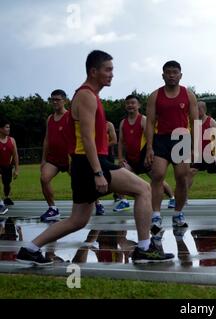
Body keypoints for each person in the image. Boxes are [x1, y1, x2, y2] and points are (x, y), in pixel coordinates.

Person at [16, 50, 174, 265]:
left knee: (78, 220)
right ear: (93, 71)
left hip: (86, 163)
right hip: (91, 163)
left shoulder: (90, 96)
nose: (112, 74)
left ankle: (30, 248)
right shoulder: (86, 96)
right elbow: (88, 140)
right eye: (107, 70)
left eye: (112, 70)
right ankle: (144, 249)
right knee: (143, 189)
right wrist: (99, 173)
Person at [145, 60, 198, 233]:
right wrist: (149, 147)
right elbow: (150, 122)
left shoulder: (188, 94)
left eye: (175, 72)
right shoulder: (155, 96)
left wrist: (194, 147)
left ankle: (178, 213)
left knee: (181, 177)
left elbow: (195, 121)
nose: (171, 75)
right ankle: (156, 216)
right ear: (163, 75)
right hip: (161, 139)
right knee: (157, 175)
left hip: (181, 139)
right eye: (168, 72)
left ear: (180, 75)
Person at [117, 94, 175, 210]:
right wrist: (120, 158)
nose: (130, 105)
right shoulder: (123, 122)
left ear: (138, 105)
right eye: (128, 103)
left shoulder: (143, 120)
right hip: (130, 158)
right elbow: (121, 142)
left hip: (144, 157)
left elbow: (151, 139)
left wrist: (150, 153)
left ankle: (172, 198)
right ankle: (123, 200)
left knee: (157, 179)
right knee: (119, 176)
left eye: (133, 103)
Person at [187, 101, 216, 201]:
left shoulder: (211, 122)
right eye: (195, 109)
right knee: (191, 172)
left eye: (198, 109)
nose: (196, 111)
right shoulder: (194, 123)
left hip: (210, 154)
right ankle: (185, 196)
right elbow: (192, 138)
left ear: (204, 110)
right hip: (198, 154)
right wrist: (192, 150)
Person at [39, 90, 71, 222]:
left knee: (82, 183)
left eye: (57, 99)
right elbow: (47, 139)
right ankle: (53, 208)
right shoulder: (50, 118)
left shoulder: (70, 116)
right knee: (44, 178)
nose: (54, 102)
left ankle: (96, 203)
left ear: (64, 100)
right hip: (53, 159)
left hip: (69, 158)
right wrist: (43, 159)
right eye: (52, 99)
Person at [0, 118, 19, 215]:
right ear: (1, 129)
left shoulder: (12, 140)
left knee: (7, 184)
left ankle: (6, 198)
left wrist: (16, 169)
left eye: (9, 127)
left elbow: (15, 155)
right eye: (6, 127)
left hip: (7, 166)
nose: (8, 129)